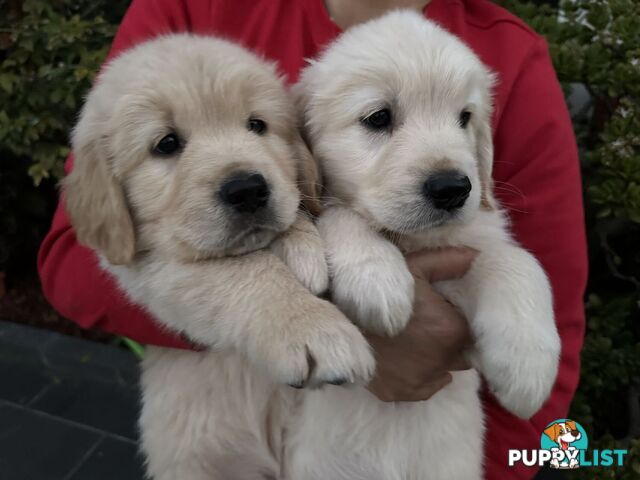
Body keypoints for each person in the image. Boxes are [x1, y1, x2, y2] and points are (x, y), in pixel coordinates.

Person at [37, 0, 588, 478]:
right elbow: (78, 257)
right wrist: (301, 317)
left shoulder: (511, 57)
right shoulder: (192, 9)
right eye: (377, 118)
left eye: (258, 127)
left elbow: (547, 340)